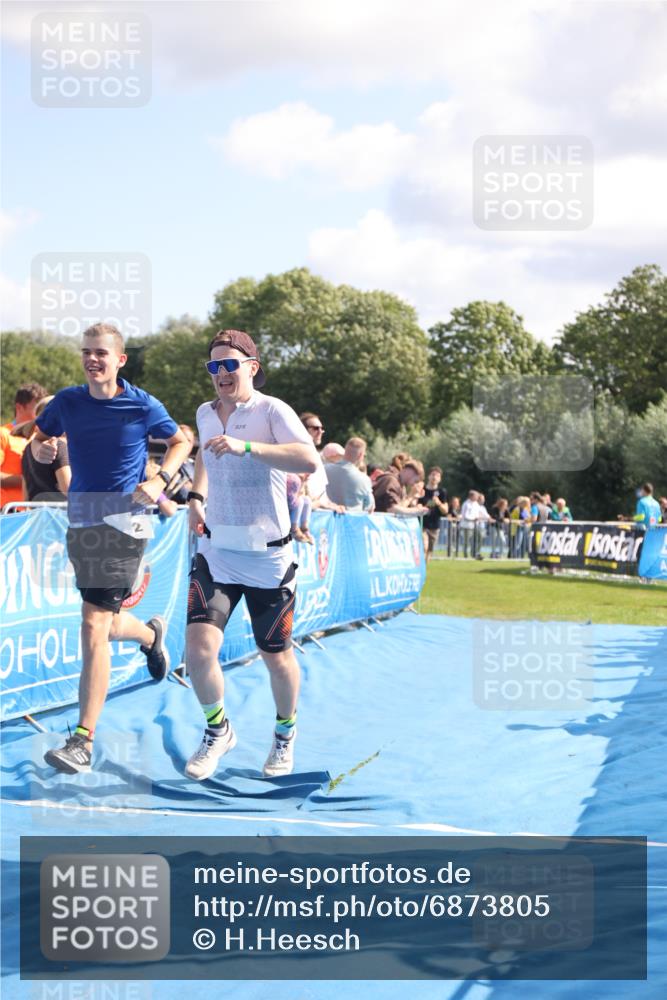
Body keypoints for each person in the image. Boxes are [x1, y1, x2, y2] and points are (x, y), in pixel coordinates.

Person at [33, 323, 190, 773]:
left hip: (126, 520)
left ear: (120, 360)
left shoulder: (142, 403)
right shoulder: (67, 401)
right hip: (83, 518)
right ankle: (150, 635)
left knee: (93, 623)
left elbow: (181, 441)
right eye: (86, 351)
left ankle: (82, 740)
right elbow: (41, 438)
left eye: (101, 352)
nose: (92, 359)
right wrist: (43, 449)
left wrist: (160, 480)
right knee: (104, 621)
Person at [185, 330, 319, 781]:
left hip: (267, 559)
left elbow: (308, 460)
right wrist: (196, 498)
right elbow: (205, 456)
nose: (221, 374)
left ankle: (284, 734)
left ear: (252, 368)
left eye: (230, 365)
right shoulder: (205, 413)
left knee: (275, 656)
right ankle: (217, 730)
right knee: (199, 649)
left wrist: (247, 447)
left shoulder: (271, 410)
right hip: (217, 552)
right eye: (214, 366)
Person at [19, 395, 71, 501]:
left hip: (35, 510)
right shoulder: (58, 445)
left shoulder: (27, 449)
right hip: (58, 510)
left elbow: (26, 496)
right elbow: (68, 489)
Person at [299, 412, 344, 513]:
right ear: (302, 430)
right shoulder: (297, 456)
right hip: (304, 517)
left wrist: (333, 506)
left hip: (317, 517)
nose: (320, 432)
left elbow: (322, 494)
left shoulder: (316, 456)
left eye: (321, 428)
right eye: (315, 428)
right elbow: (298, 501)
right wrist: (320, 504)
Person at [324, 436, 374, 512]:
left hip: (327, 517)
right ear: (360, 455)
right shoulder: (364, 479)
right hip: (353, 518)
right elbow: (369, 506)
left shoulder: (325, 470)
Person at [420, 466, 448, 562]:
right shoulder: (422, 490)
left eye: (437, 476)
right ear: (428, 476)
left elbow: (445, 510)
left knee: (429, 551)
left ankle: (424, 568)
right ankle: (420, 566)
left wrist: (438, 503)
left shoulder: (442, 492)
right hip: (422, 524)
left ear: (440, 479)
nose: (434, 477)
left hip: (435, 525)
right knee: (424, 546)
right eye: (433, 474)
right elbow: (415, 503)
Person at [0, 424, 29, 509]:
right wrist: (30, 480)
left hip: (35, 511)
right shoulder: (3, 433)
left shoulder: (44, 436)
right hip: (7, 510)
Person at [286, 472, 314, 543]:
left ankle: (304, 529)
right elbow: (295, 497)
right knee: (300, 501)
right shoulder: (293, 477)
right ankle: (294, 529)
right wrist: (302, 481)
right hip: (286, 502)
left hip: (292, 500)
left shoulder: (298, 478)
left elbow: (301, 494)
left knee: (307, 500)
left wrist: (303, 482)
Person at [459, 490, 482, 558]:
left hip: (475, 525)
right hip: (466, 525)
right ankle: (465, 555)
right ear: (471, 496)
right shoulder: (466, 504)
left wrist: (479, 517)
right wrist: (473, 519)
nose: (477, 497)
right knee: (466, 541)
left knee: (479, 538)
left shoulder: (476, 504)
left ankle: (475, 553)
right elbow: (464, 515)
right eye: (476, 496)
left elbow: (478, 513)